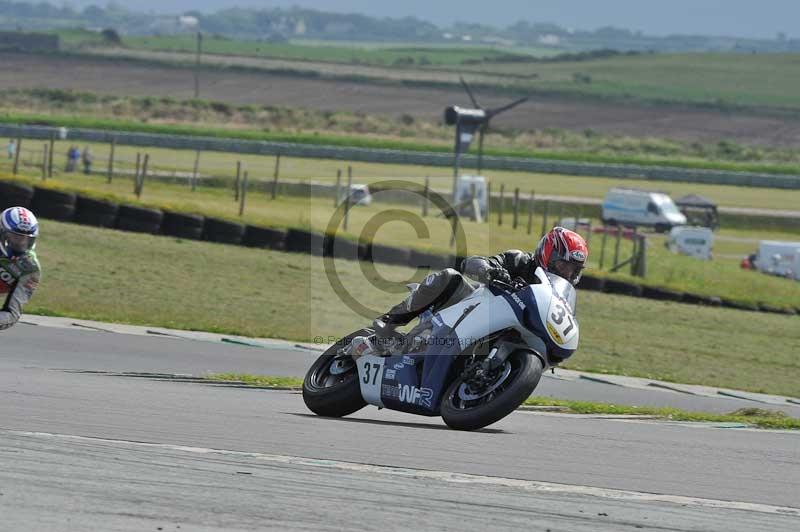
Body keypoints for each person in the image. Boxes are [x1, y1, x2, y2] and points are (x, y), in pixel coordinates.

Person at [354, 227, 589, 356]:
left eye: (573, 270)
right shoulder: (519, 261)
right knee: (449, 277)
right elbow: (474, 263)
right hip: (471, 307)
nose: (567, 273)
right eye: (563, 265)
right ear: (548, 254)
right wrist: (491, 272)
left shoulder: (560, 297)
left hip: (508, 331)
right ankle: (389, 323)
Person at [0, 207, 41, 331]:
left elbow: (12, 314)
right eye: (16, 237)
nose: (21, 243)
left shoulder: (30, 268)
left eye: (26, 238)